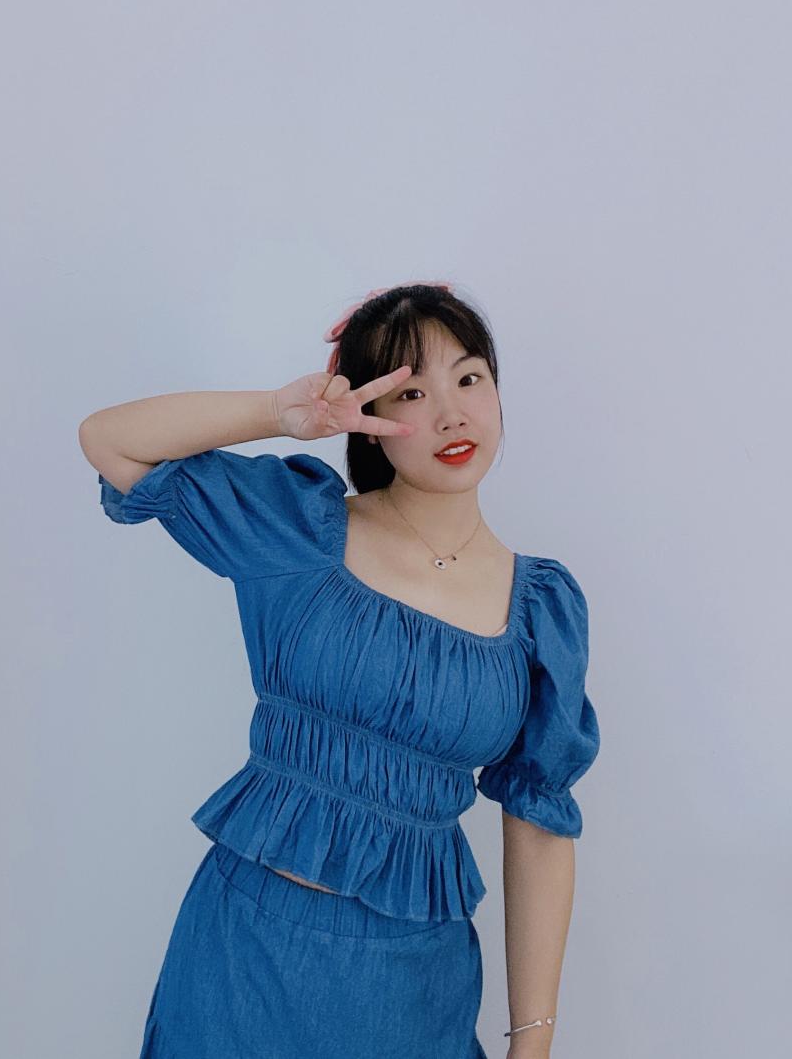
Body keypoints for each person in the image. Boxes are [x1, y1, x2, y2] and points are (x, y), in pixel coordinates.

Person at [78, 281, 600, 1059]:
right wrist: (279, 412)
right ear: (368, 413)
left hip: (412, 997)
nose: (451, 414)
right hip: (243, 967)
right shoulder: (296, 529)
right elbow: (110, 440)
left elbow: (539, 826)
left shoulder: (541, 609)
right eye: (412, 390)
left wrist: (533, 1043)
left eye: (469, 377)